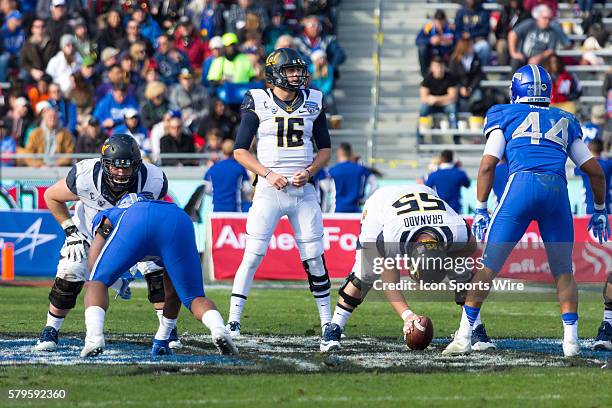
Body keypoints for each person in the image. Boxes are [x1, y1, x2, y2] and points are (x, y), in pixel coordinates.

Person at [443, 64, 610, 358]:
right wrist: (599, 209)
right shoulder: (565, 119)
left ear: (516, 90)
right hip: (556, 191)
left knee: (488, 267)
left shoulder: (503, 114)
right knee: (563, 273)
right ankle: (571, 342)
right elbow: (595, 172)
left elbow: (487, 164)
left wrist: (480, 208)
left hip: (520, 185)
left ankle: (464, 335)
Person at [226, 48, 332, 345]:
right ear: (274, 74)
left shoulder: (314, 100)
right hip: (269, 190)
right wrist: (267, 173)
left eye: (298, 70)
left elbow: (325, 149)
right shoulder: (258, 100)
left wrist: (309, 171)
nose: (297, 75)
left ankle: (328, 324)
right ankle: (233, 321)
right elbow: (239, 150)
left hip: (303, 190)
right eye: (290, 71)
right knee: (253, 254)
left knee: (314, 258)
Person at [33, 134, 175, 352]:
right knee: (71, 271)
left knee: (155, 270)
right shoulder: (85, 175)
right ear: (103, 164)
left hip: (133, 236)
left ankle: (167, 329)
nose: (121, 172)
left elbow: (158, 213)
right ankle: (50, 330)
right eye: (115, 166)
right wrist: (70, 232)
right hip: (90, 233)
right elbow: (52, 196)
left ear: (137, 165)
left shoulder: (153, 179)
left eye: (127, 167)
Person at [320, 184, 487, 352]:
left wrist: (453, 264)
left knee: (460, 271)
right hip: (381, 203)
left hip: (424, 194)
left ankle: (474, 327)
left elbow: (471, 247)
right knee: (366, 274)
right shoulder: (392, 237)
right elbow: (389, 281)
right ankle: (333, 329)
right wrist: (407, 315)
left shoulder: (456, 230)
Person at [81, 194, 237, 357]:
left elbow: (94, 265)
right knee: (193, 297)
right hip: (178, 219)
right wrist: (161, 339)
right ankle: (218, 329)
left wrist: (112, 282)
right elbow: (173, 293)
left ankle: (94, 338)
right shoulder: (166, 209)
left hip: (135, 222)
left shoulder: (112, 213)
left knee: (97, 282)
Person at [508, 4, 570, 72]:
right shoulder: (529, 24)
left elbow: (550, 50)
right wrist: (513, 53)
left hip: (541, 60)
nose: (547, 21)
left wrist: (538, 57)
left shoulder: (552, 31)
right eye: (545, 18)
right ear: (538, 17)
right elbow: (512, 34)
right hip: (523, 57)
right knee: (516, 62)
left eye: (549, 19)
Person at [203, 139, 251, 212]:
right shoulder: (240, 168)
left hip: (217, 209)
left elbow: (206, 189)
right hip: (235, 210)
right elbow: (247, 189)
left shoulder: (213, 169)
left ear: (222, 151)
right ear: (234, 152)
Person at [328, 142, 377, 213]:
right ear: (351, 152)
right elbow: (375, 184)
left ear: (339, 153)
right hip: (355, 210)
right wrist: (365, 199)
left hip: (337, 211)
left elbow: (325, 187)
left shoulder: (333, 170)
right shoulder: (360, 169)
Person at [419, 57, 458, 137]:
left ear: (444, 67)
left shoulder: (450, 78)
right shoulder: (427, 79)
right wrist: (444, 99)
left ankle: (455, 134)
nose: (439, 69)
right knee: (423, 109)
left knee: (452, 108)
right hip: (432, 106)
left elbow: (452, 97)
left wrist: (435, 99)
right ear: (432, 68)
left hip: (444, 105)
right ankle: (421, 135)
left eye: (441, 66)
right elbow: (424, 98)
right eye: (436, 67)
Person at [574, 139, 611, 215]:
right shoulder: (608, 164)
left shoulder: (584, 166)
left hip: (590, 206)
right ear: (602, 149)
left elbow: (575, 171)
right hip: (606, 205)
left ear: (589, 148)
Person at [415, 10, 455, 77]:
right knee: (422, 49)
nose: (439, 23)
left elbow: (458, 40)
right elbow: (418, 41)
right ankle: (425, 75)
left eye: (441, 20)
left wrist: (451, 42)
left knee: (457, 50)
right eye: (437, 21)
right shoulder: (428, 29)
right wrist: (430, 40)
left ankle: (454, 76)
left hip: (446, 55)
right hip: (432, 55)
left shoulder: (451, 28)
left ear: (445, 20)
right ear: (434, 21)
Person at [455, 0, 491, 65]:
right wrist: (462, 39)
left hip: (477, 42)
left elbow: (485, 30)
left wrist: (471, 35)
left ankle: (482, 71)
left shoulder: (483, 12)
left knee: (485, 46)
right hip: (464, 43)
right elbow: (457, 30)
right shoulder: (461, 12)